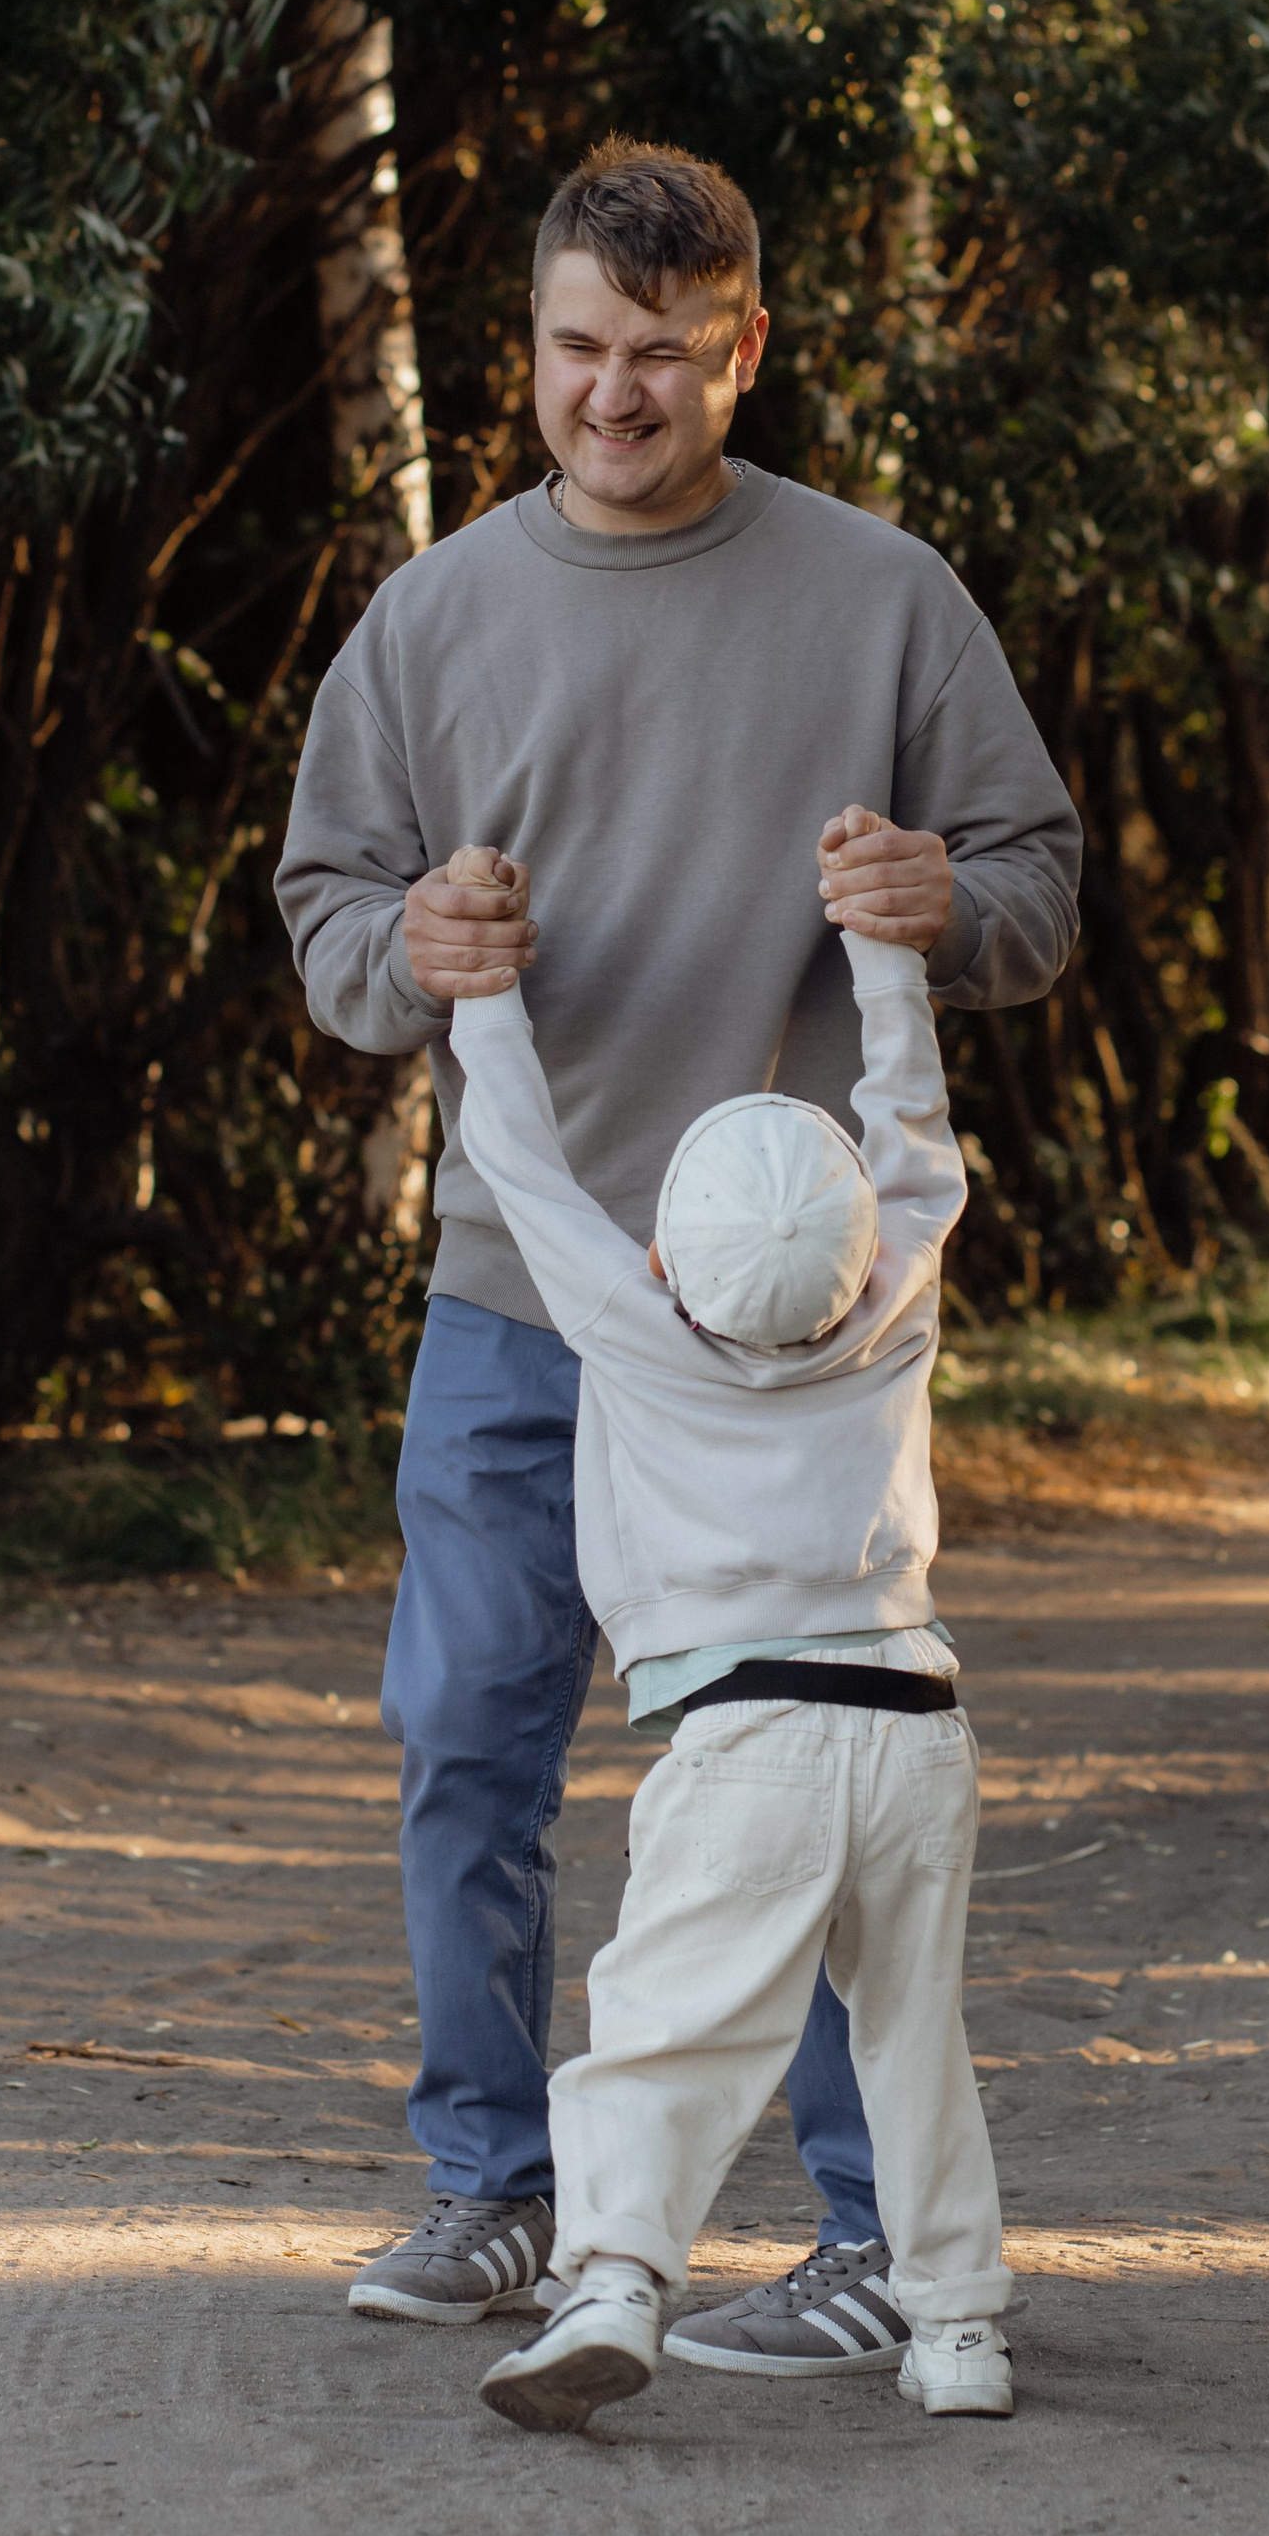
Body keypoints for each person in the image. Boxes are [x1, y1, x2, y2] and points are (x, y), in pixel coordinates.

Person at [275, 138, 1079, 2371]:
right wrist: (405, 945)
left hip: (786, 1340)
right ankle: (494, 2194)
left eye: (657, 356)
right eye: (570, 351)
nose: (608, 399)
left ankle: (850, 2244)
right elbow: (325, 911)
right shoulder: (432, 619)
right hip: (519, 1295)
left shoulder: (883, 598)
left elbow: (1033, 882)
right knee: (467, 1732)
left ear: (742, 350)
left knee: (797, 1750)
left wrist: (944, 897)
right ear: (526, 342)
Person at [424, 831, 1010, 2433]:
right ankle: (958, 2331)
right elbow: (910, 1118)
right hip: (915, 1719)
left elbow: (527, 1169)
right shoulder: (900, 1293)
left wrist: (486, 997)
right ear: (857, 1235)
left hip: (747, 1734)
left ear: (669, 1256)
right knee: (912, 2045)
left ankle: (614, 2274)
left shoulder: (630, 1325)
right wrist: (882, 955)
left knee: (664, 2028)